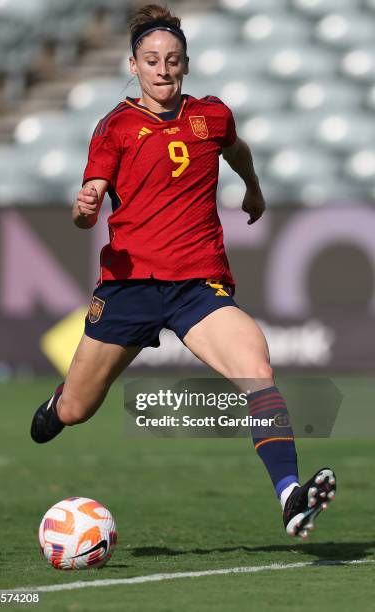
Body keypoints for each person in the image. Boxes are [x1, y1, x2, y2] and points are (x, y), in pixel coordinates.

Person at [31, 3, 336, 539]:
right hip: (130, 288)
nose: (163, 69)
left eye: (172, 60)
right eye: (152, 60)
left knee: (257, 370)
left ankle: (290, 496)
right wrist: (84, 210)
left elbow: (234, 149)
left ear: (186, 64)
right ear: (134, 66)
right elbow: (91, 202)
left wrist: (254, 185)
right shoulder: (115, 127)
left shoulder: (211, 115)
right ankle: (60, 402)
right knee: (78, 409)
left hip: (198, 286)